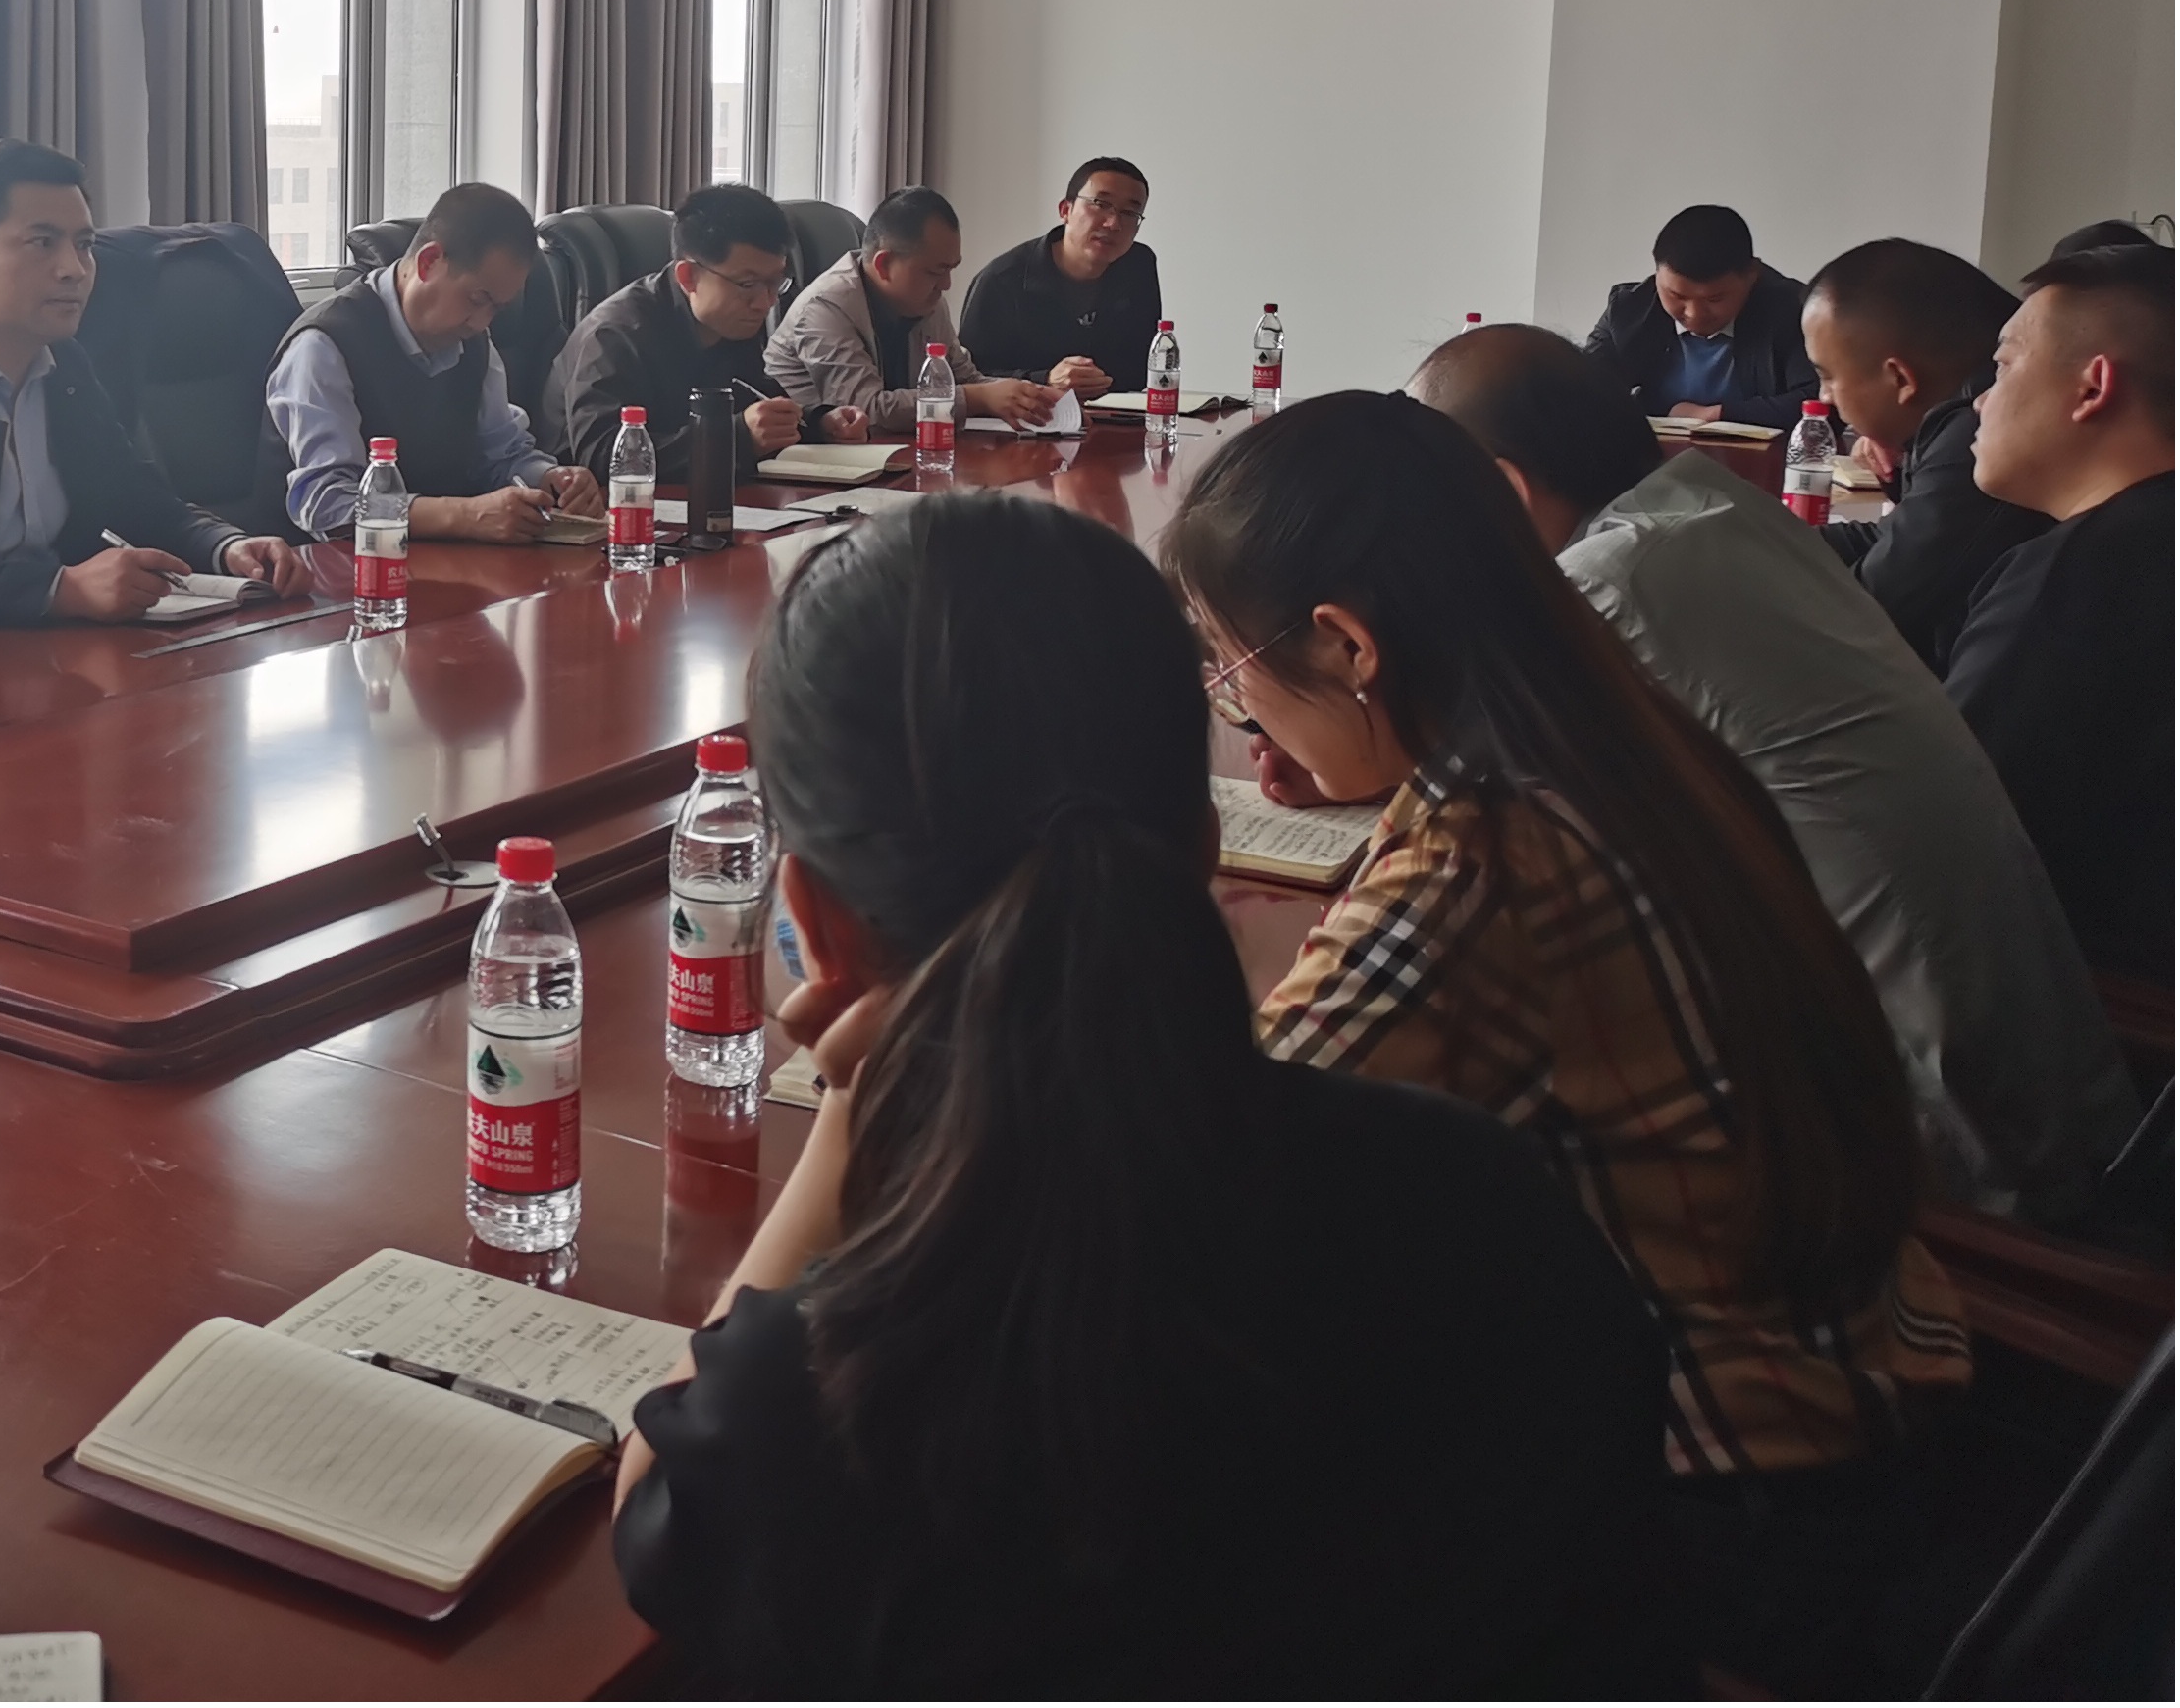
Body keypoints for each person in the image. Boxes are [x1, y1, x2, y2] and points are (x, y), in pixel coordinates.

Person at [610, 491, 1678, 1698]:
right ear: (1205, 843)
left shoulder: (824, 1393)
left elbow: (659, 1505)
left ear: (811, 921)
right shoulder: (1487, 1201)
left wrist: (855, 1118)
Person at [1167, 394, 1970, 1695]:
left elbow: (1200, 1177)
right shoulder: (1611, 729)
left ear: (1348, 644)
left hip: (1729, 1514)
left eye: (1227, 664)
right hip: (1863, 1378)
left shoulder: (1484, 858)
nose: (1237, 709)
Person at [1410, 324, 2136, 1223]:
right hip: (2025, 1081)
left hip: (1930, 1152)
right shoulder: (1713, 511)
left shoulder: (1612, 581)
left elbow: (1453, 801)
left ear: (1503, 489)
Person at [0, 140, 302, 629]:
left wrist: (226, 546)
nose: (74, 269)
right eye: (42, 243)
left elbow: (132, 496)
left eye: (84, 245)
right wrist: (60, 589)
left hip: (36, 650)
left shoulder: (65, 364)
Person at [1952, 239, 2174, 983]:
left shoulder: (2083, 579)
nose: (1980, 401)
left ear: (2091, 387)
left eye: (2003, 365)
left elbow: (1947, 831)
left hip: (2110, 1005)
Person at [259, 182, 598, 544]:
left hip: (441, 560)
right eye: (477, 299)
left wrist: (550, 479)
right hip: (334, 568)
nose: (481, 322)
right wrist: (465, 516)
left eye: (497, 308)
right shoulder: (325, 345)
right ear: (428, 262)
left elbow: (502, 455)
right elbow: (328, 502)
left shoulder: (473, 343)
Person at [1801, 239, 2045, 664]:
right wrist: (1763, 538)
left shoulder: (1977, 442)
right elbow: (1890, 540)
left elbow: (1866, 609)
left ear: (1900, 379)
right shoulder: (1955, 422)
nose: (1825, 397)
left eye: (1827, 376)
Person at [539, 183, 860, 478]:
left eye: (775, 282)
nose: (766, 302)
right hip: (602, 510)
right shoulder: (613, 334)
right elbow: (602, 456)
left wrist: (818, 424)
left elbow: (755, 398)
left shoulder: (732, 319)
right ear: (688, 277)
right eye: (747, 284)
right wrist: (736, 438)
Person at [765, 186, 1055, 427]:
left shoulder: (926, 301)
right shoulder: (824, 308)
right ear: (884, 265)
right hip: (807, 461)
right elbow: (865, 411)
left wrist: (1031, 396)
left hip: (892, 454)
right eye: (935, 271)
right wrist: (978, 398)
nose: (946, 285)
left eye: (951, 269)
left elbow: (965, 378)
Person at [1582, 204, 1819, 425]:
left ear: (1752, 275)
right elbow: (1581, 387)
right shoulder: (1627, 310)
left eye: (1714, 299)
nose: (1694, 314)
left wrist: (1713, 415)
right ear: (1657, 273)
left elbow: (1820, 402)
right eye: (1676, 296)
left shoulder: (1793, 310)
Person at [950, 157, 1163, 399]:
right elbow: (971, 379)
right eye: (1100, 204)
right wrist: (1046, 380)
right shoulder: (1001, 279)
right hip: (1027, 416)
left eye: (1130, 212)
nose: (1113, 223)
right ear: (1065, 210)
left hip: (1111, 414)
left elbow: (1140, 368)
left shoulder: (1138, 265)